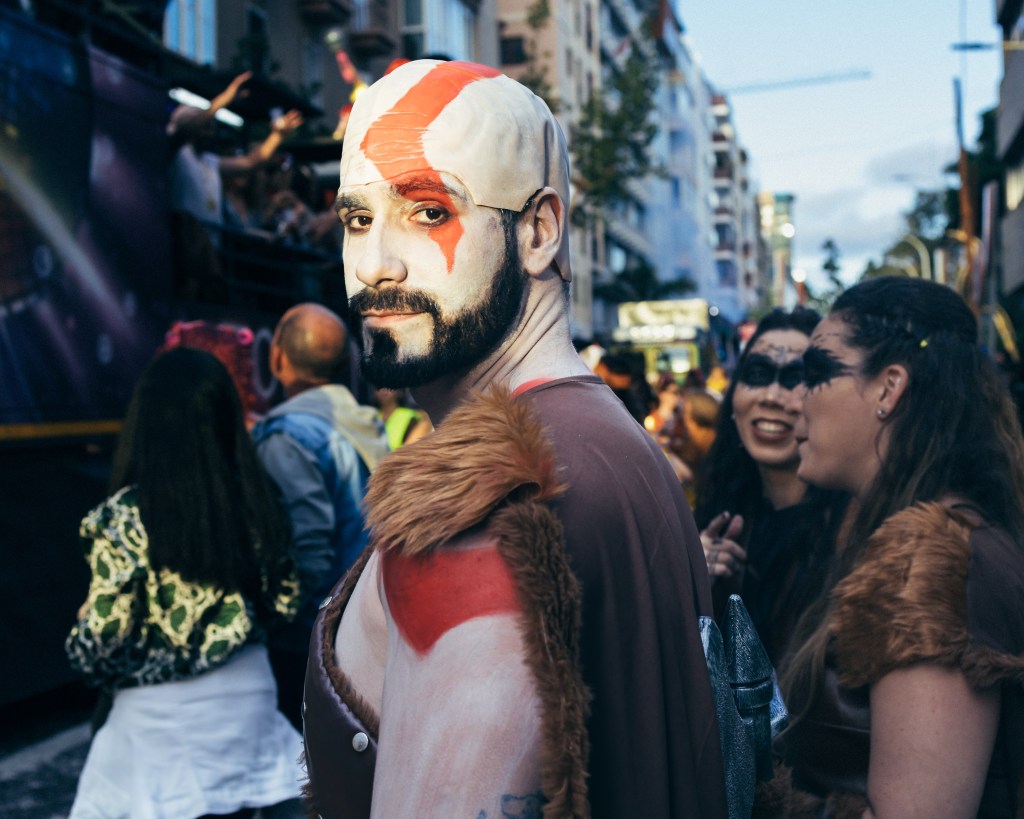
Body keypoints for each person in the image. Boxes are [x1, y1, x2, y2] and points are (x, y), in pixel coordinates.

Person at [302, 59, 727, 818]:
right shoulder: (615, 442)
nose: (374, 265)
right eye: (357, 219)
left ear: (538, 231)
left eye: (429, 211)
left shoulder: (484, 505)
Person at [777, 277, 1024, 817]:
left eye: (816, 373)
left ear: (889, 389)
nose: (792, 400)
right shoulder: (922, 536)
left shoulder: (930, 558)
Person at [65, 347, 305, 819]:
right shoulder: (259, 500)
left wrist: (80, 637)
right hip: (247, 702)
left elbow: (103, 641)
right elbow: (286, 602)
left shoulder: (121, 517)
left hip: (160, 723)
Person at [252, 303, 389, 730]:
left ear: (276, 358)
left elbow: (309, 547)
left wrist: (280, 620)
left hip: (313, 635)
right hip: (366, 617)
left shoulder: (286, 438)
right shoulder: (365, 424)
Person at [695, 307, 846, 664]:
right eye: (758, 374)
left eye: (796, 378)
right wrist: (695, 588)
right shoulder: (711, 520)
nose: (772, 396)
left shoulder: (853, 533)